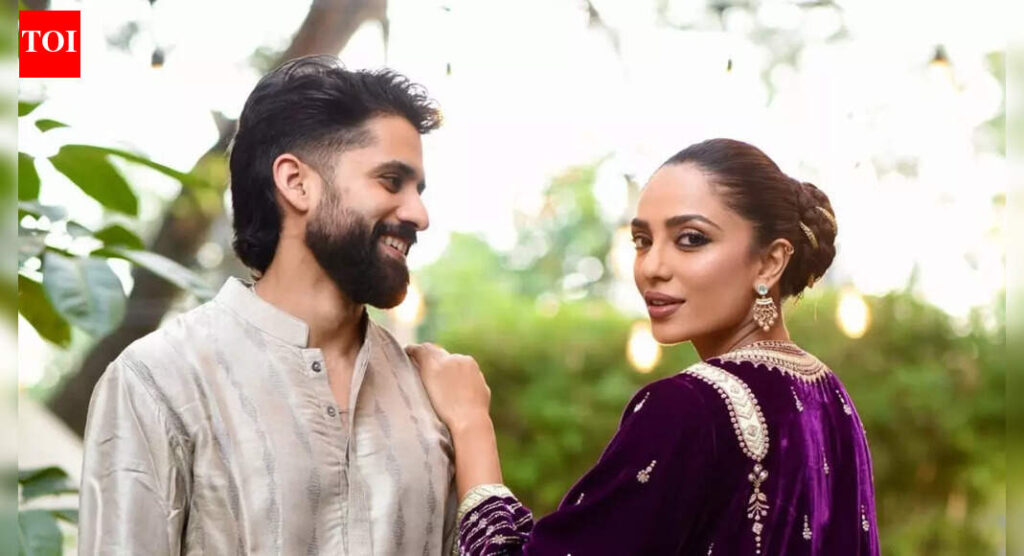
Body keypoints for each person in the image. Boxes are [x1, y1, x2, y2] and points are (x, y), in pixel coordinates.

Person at [408, 138, 881, 555]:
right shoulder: (831, 398)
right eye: (642, 240)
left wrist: (470, 422)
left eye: (691, 239)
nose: (652, 267)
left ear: (770, 262)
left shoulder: (689, 407)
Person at [79, 55, 457, 555]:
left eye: (418, 190)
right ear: (296, 182)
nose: (419, 214)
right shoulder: (160, 381)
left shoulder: (431, 393)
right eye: (391, 181)